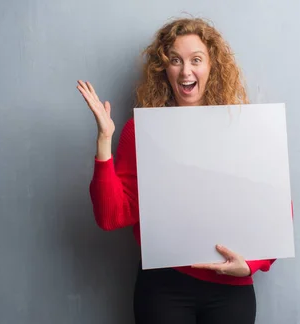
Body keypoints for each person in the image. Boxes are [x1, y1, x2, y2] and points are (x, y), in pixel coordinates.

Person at [77, 17, 284, 324]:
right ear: (165, 70)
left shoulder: (243, 128)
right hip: (164, 288)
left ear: (212, 66)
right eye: (175, 60)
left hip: (231, 290)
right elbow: (112, 216)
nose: (186, 71)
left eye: (196, 60)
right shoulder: (141, 131)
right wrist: (105, 139)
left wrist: (252, 264)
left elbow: (276, 212)